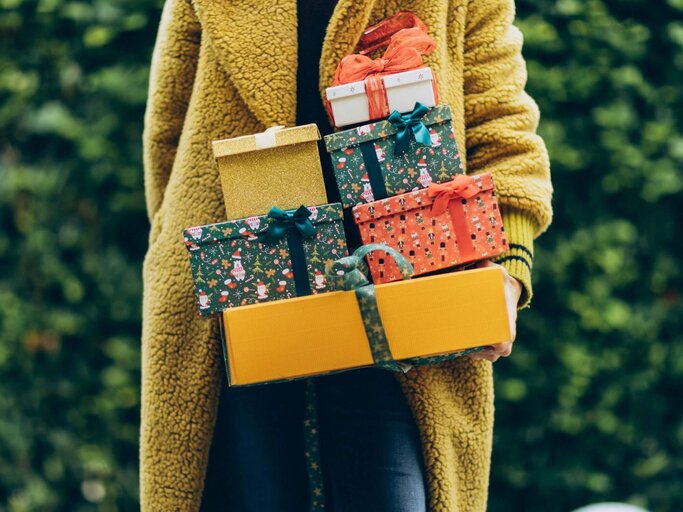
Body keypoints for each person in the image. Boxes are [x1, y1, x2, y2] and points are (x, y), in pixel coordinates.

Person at [141, 0, 553, 511]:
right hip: (242, 307)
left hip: (409, 312)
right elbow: (169, 136)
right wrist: (184, 258)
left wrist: (508, 272)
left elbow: (504, 130)